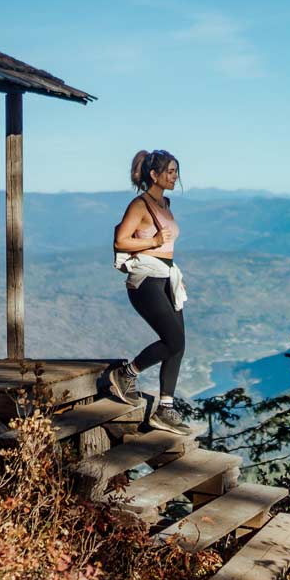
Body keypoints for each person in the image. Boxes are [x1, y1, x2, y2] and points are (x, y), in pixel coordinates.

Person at [108, 149, 189, 434]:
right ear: (153, 175)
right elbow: (121, 241)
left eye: (176, 171)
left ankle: (165, 409)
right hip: (145, 281)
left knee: (178, 343)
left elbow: (166, 247)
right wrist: (153, 240)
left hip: (165, 277)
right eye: (170, 171)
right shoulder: (140, 205)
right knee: (174, 338)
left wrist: (172, 274)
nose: (174, 176)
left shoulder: (165, 203)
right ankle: (125, 374)